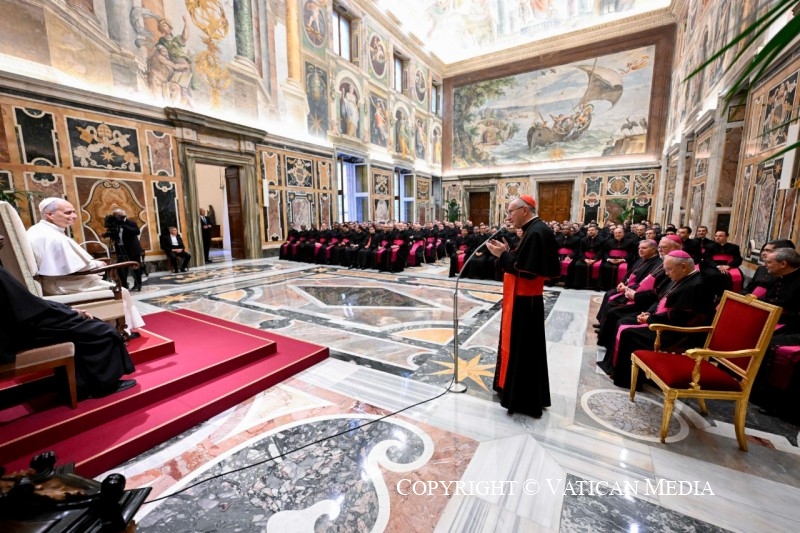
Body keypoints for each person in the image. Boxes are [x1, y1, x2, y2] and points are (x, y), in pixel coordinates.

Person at [0, 234, 136, 397]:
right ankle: (103, 386)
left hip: (19, 324)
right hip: (15, 334)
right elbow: (28, 309)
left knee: (85, 324)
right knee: (102, 331)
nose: (1, 237)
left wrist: (68, 310)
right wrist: (69, 313)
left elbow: (28, 302)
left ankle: (83, 383)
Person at [486, 195, 560, 417]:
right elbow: (524, 260)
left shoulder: (537, 232)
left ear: (524, 210)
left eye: (511, 212)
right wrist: (507, 251)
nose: (508, 217)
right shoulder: (534, 229)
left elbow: (527, 271)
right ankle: (513, 390)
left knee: (524, 351)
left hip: (525, 302)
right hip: (523, 300)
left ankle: (522, 400)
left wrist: (502, 255)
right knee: (524, 350)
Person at [27, 197, 145, 337]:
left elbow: (68, 262)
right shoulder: (53, 237)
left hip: (53, 281)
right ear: (50, 215)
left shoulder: (38, 230)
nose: (74, 216)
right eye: (68, 213)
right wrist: (98, 264)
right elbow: (82, 266)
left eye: (74, 212)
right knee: (123, 291)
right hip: (61, 285)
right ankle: (121, 331)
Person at [103, 208, 143, 291]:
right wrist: (107, 234)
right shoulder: (115, 223)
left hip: (132, 249)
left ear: (119, 216)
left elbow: (136, 232)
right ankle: (124, 285)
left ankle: (138, 284)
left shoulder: (130, 223)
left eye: (115, 216)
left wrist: (123, 225)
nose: (114, 217)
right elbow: (114, 233)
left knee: (135, 268)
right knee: (121, 269)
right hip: (120, 249)